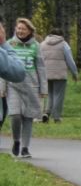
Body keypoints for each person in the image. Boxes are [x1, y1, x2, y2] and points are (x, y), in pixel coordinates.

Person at [7, 18, 46, 158]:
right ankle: (16, 140)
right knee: (15, 115)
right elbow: (3, 67)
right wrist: (1, 88)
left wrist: (43, 89)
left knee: (28, 117)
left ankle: (25, 148)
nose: (20, 31)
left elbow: (41, 68)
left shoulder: (36, 46)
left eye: (23, 29)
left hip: (31, 86)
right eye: (18, 28)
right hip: (13, 85)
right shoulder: (9, 44)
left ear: (29, 30)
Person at [39, 29, 77, 122]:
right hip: (60, 74)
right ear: (61, 35)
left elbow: (39, 59)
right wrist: (74, 73)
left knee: (50, 94)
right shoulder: (64, 44)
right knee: (58, 95)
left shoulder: (42, 44)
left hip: (46, 74)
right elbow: (70, 60)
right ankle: (56, 117)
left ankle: (47, 113)